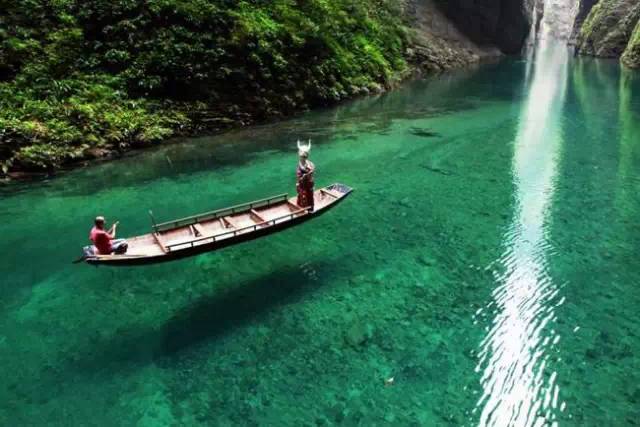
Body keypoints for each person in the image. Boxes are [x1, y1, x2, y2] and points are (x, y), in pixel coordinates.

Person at [296, 140, 315, 212]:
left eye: (304, 156)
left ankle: (310, 209)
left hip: (308, 184)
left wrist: (305, 176)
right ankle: (301, 208)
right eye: (301, 156)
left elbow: (312, 171)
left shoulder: (310, 164)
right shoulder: (300, 164)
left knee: (308, 195)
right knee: (301, 195)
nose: (302, 157)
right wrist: (299, 180)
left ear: (306, 156)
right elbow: (298, 174)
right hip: (302, 184)